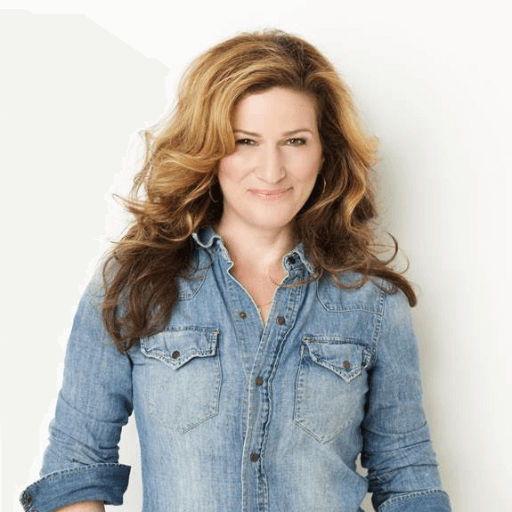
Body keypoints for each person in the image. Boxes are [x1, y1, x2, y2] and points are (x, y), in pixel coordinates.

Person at [20, 30, 451, 512]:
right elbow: (76, 466)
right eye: (245, 141)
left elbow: (407, 478)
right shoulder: (133, 282)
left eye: (295, 141)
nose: (271, 170)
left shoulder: (373, 302)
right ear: (209, 148)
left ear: (324, 150)